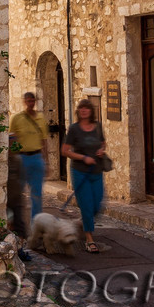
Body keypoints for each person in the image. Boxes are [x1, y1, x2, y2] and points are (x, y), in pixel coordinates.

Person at [61, 98, 106, 253]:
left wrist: (101, 150)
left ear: (91, 111)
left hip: (96, 171)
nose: (84, 110)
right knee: (86, 206)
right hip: (80, 172)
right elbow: (65, 151)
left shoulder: (97, 127)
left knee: (97, 205)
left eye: (86, 108)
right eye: (81, 108)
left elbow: (102, 143)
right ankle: (89, 239)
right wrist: (83, 158)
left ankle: (84, 223)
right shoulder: (74, 129)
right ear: (78, 111)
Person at [9, 91, 48, 222]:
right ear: (24, 102)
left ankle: (36, 224)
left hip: (37, 158)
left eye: (32, 101)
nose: (30, 103)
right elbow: (11, 139)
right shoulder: (16, 118)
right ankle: (17, 224)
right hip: (22, 159)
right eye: (28, 101)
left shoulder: (41, 118)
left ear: (35, 101)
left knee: (37, 194)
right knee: (17, 194)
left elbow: (44, 141)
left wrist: (46, 161)